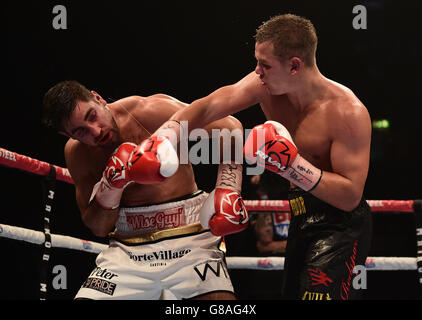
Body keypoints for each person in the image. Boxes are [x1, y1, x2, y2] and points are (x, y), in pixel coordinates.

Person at [152, 14, 372, 300]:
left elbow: (350, 195)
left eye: (265, 64)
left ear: (294, 65)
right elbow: (209, 107)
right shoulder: (265, 86)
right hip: (299, 215)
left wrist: (292, 166)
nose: (257, 72)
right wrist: (162, 138)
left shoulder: (348, 113)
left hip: (341, 226)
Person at [42, 80, 249, 300]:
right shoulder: (77, 154)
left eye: (92, 116)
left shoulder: (151, 111)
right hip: (127, 249)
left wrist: (229, 187)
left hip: (191, 237)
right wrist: (111, 184)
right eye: (80, 131)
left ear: (98, 99)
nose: (95, 131)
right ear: (68, 136)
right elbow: (99, 228)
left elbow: (230, 127)